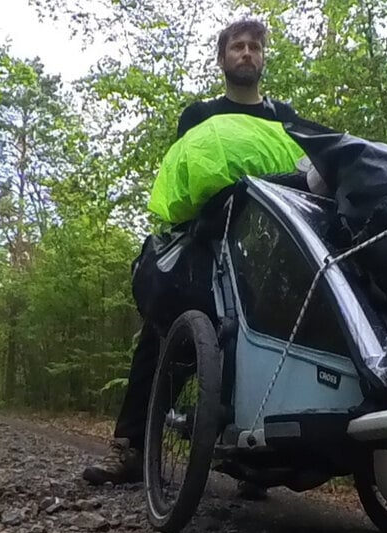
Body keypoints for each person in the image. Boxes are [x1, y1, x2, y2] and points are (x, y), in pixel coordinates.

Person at [82, 18, 299, 498]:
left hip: (266, 249)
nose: (246, 53)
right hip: (204, 241)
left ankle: (255, 459)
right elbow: (186, 175)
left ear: (263, 58)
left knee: (266, 342)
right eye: (237, 47)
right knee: (163, 330)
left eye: (254, 47)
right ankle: (132, 446)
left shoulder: (284, 118)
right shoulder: (198, 115)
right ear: (222, 58)